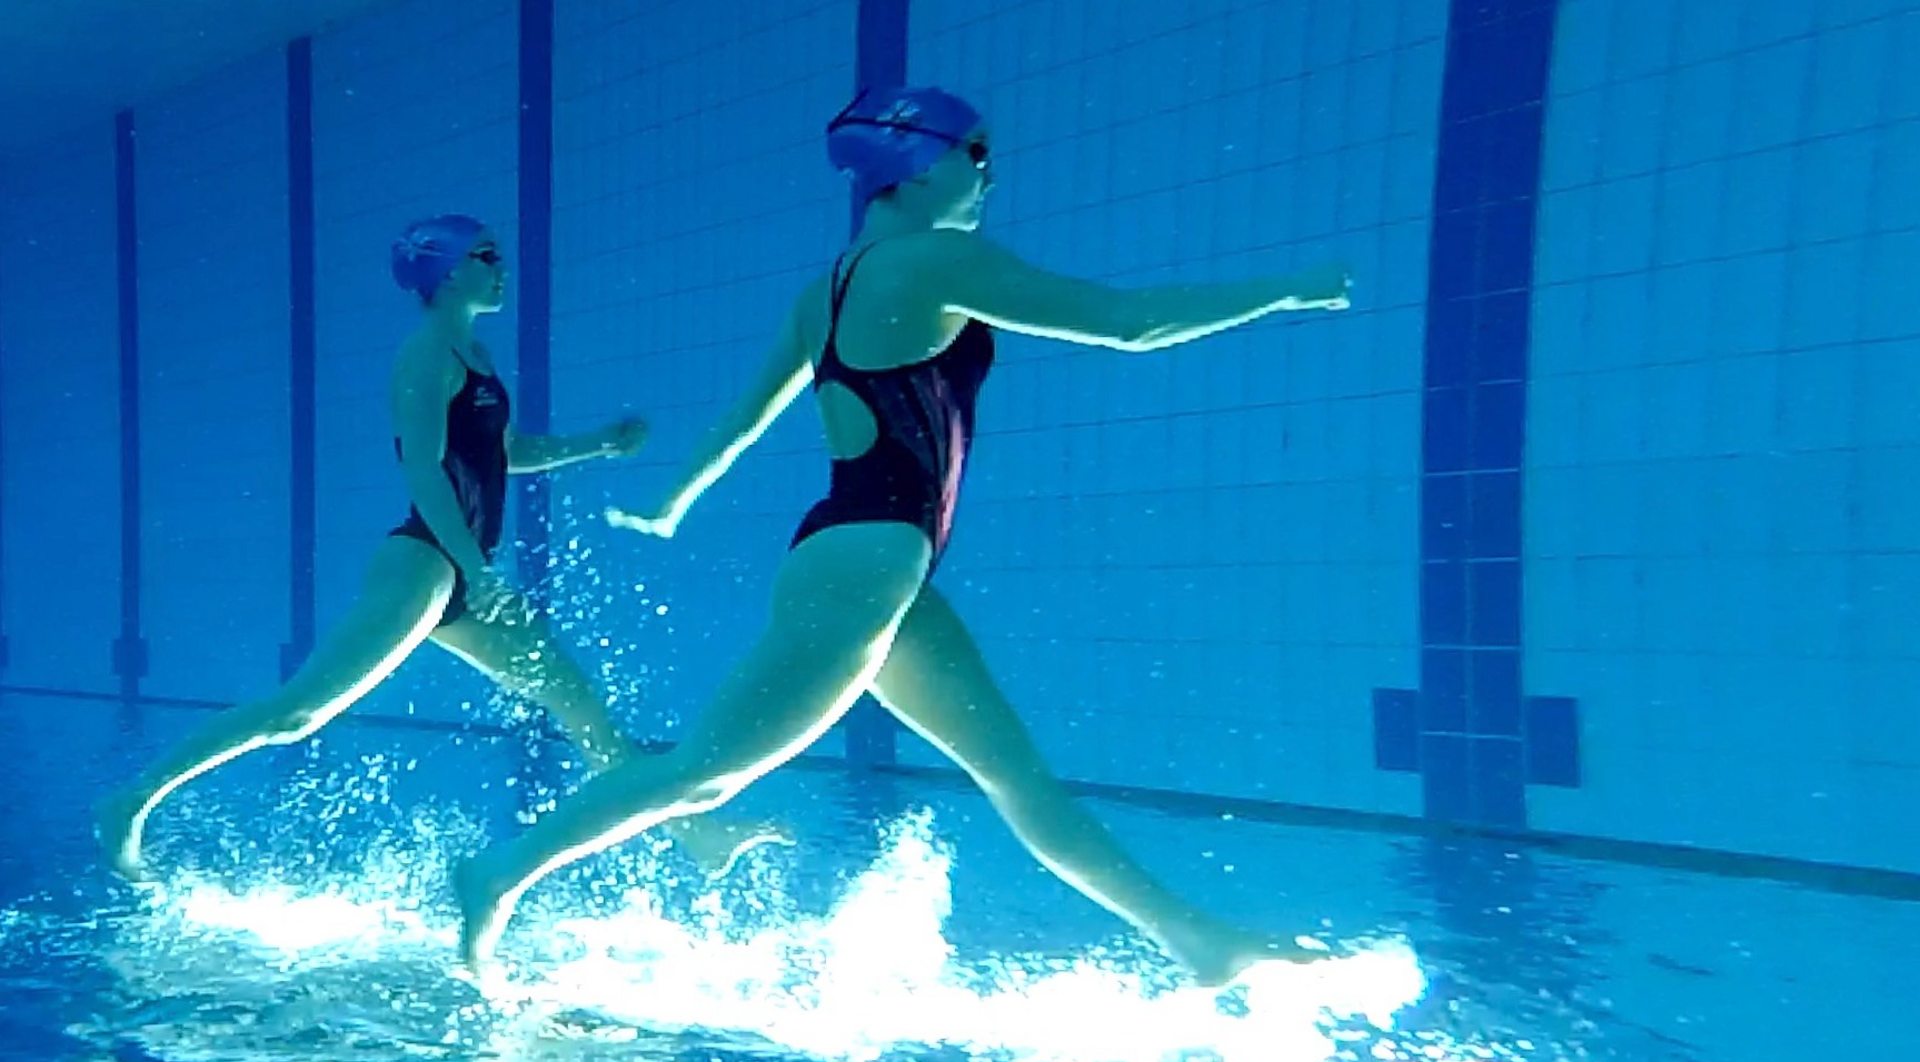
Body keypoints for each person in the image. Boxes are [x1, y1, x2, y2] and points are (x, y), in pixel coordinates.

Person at [455, 88, 1351, 987]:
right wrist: (1284, 289)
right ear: (921, 161)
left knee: (1015, 778)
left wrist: (673, 502)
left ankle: (1196, 940)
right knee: (703, 776)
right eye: (979, 153)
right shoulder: (931, 263)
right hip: (867, 559)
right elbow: (1130, 325)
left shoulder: (829, 290)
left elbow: (741, 421)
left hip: (874, 564)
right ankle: (499, 872)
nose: (990, 173)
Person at [95, 215, 775, 883]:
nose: (500, 266)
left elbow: (502, 455)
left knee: (580, 707)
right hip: (425, 562)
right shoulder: (425, 354)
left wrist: (595, 443)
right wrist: (475, 572)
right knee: (298, 713)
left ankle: (696, 833)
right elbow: (422, 468)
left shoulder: (473, 355)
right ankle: (135, 797)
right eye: (485, 255)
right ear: (445, 271)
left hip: (461, 571)